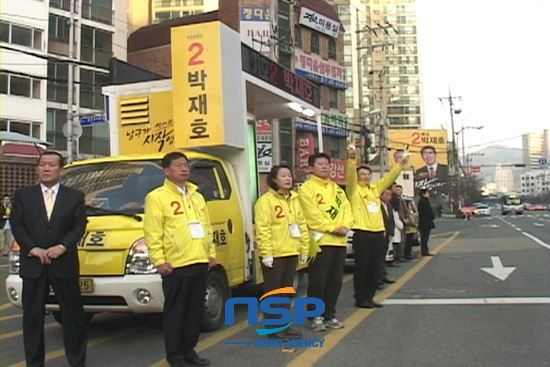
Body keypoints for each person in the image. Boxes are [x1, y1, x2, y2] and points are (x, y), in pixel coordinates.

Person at [10, 151, 88, 367]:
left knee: (72, 316)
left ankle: (77, 360)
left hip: (64, 263)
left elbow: (79, 226)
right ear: (37, 168)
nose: (46, 168)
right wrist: (33, 248)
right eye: (42, 164)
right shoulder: (23, 196)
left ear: (61, 170)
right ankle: (34, 362)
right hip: (33, 263)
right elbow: (17, 225)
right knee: (32, 318)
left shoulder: (74, 196)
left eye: (51, 165)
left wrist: (61, 247)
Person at [144, 152, 216, 367]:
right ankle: (175, 356)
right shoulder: (157, 197)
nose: (184, 169)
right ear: (167, 171)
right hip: (176, 265)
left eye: (185, 165)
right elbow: (153, 232)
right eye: (178, 166)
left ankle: (189, 350)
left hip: (199, 260)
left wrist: (210, 252)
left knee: (195, 311)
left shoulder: (196, 195)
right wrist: (159, 260)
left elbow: (206, 227)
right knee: (176, 312)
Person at [346, 146, 407, 309]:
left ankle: (370, 296)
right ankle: (360, 298)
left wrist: (401, 165)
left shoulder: (375, 189)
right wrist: (351, 159)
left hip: (378, 234)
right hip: (362, 233)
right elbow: (350, 177)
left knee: (375, 267)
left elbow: (389, 178)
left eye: (368, 174)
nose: (365, 177)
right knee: (362, 268)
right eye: (362, 174)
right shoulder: (353, 190)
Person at [298, 152, 353, 331]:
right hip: (319, 242)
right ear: (311, 168)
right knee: (317, 281)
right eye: (320, 164)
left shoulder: (337, 189)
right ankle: (315, 316)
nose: (324, 166)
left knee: (335, 281)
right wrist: (332, 228)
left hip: (339, 242)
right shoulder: (307, 188)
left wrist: (345, 226)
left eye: (326, 164)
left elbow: (346, 209)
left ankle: (330, 314)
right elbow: (311, 215)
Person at [254, 165, 309, 340]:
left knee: (287, 291)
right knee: (274, 292)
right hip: (275, 254)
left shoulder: (294, 199)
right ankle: (273, 327)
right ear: (274, 179)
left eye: (289, 175)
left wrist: (304, 248)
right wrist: (267, 253)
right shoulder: (266, 201)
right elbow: (263, 228)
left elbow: (301, 225)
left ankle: (285, 325)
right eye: (283, 175)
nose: (288, 178)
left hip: (291, 251)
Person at [417, 189, 435, 256]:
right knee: (424, 237)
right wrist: (433, 216)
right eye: (427, 193)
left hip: (424, 222)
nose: (428, 194)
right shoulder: (424, 202)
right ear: (423, 194)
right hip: (425, 222)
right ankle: (424, 251)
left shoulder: (422, 201)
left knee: (424, 237)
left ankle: (424, 250)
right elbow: (429, 212)